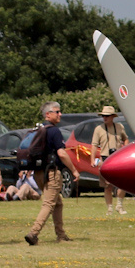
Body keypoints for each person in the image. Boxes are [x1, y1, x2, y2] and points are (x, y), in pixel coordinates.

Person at [23, 102, 80, 246]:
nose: (60, 114)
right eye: (57, 112)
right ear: (48, 114)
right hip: (52, 172)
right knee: (49, 203)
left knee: (58, 203)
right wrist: (73, 169)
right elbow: (61, 153)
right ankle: (33, 233)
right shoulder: (54, 131)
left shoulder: (38, 129)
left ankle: (61, 235)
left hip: (38, 173)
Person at [92, 105, 129, 216]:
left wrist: (124, 149)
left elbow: (125, 138)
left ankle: (119, 205)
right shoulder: (98, 129)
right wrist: (92, 159)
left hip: (118, 158)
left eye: (107, 116)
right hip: (105, 158)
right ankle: (109, 208)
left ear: (113, 116)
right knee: (107, 186)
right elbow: (94, 145)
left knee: (123, 183)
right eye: (103, 116)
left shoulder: (119, 127)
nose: (105, 118)